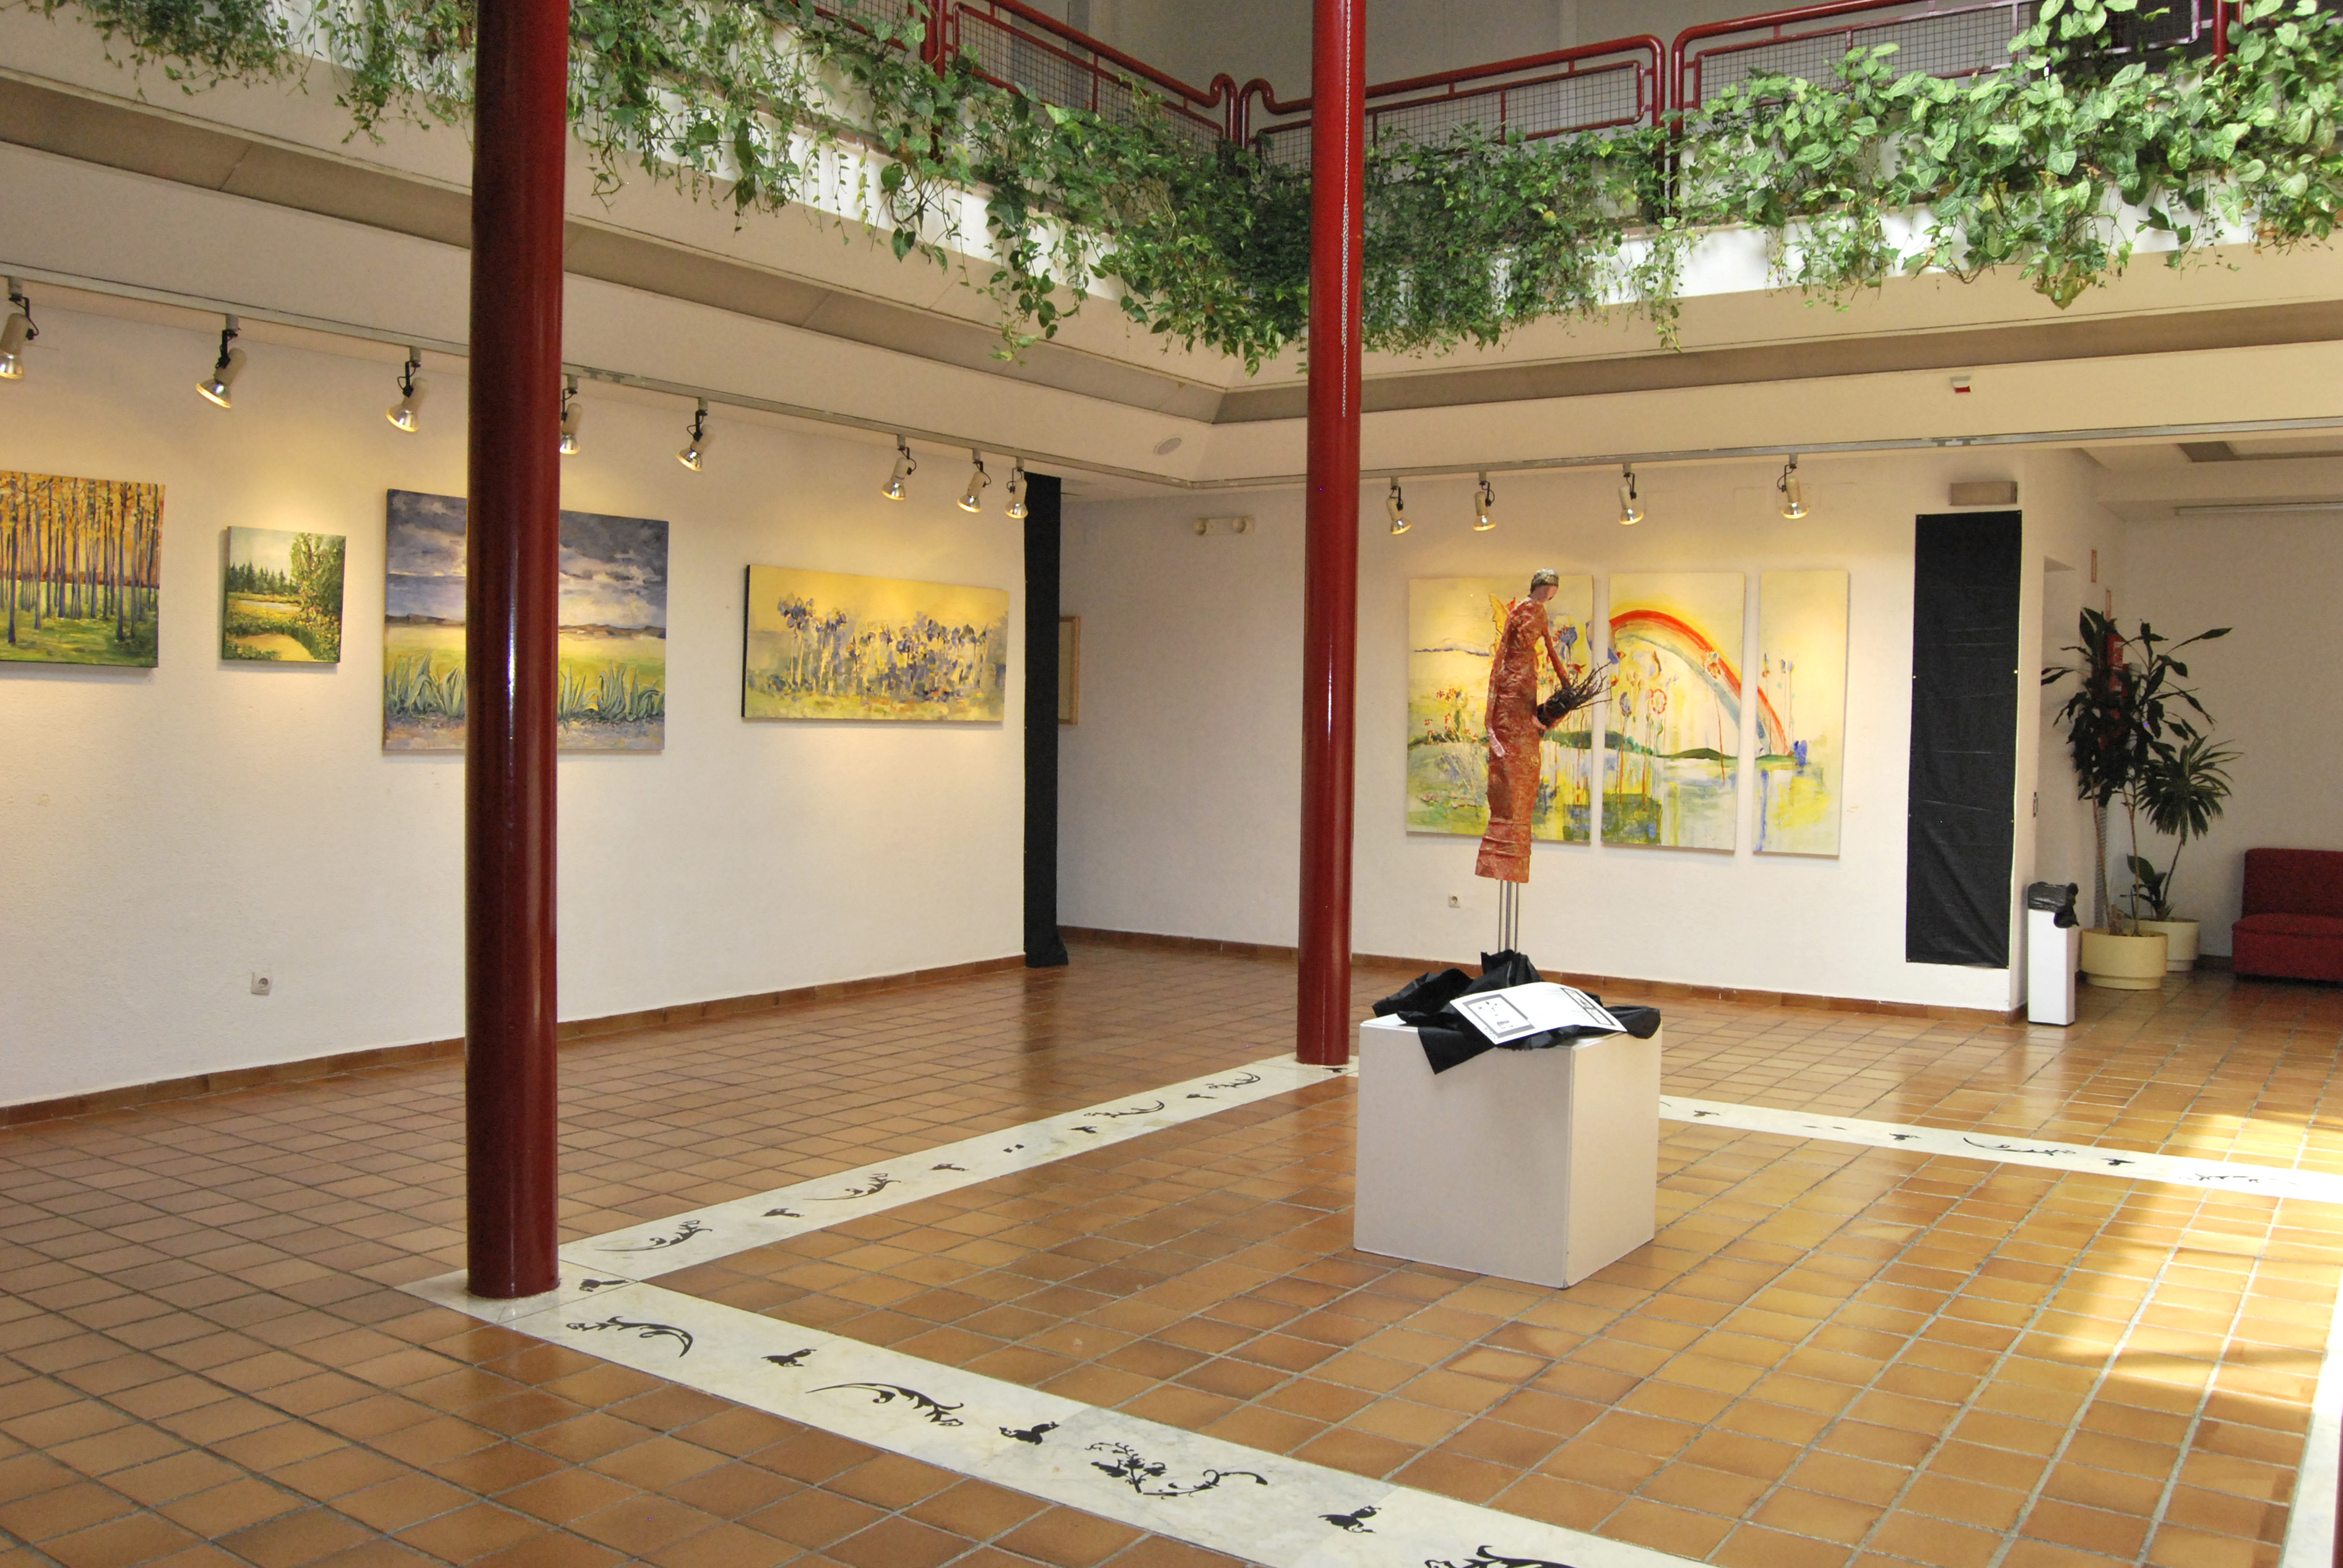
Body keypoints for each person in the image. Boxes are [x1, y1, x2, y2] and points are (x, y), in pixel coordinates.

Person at [1475, 568, 1576, 883]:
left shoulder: (1541, 615)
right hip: (1510, 689)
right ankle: (1497, 853)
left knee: (1527, 769)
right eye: (1547, 590)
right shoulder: (1518, 613)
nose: (1549, 596)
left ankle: (1515, 855)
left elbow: (1552, 651)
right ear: (1538, 587)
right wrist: (1490, 726)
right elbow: (1500, 658)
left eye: (1553, 592)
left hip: (1528, 688)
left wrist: (1567, 685)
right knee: (1505, 771)